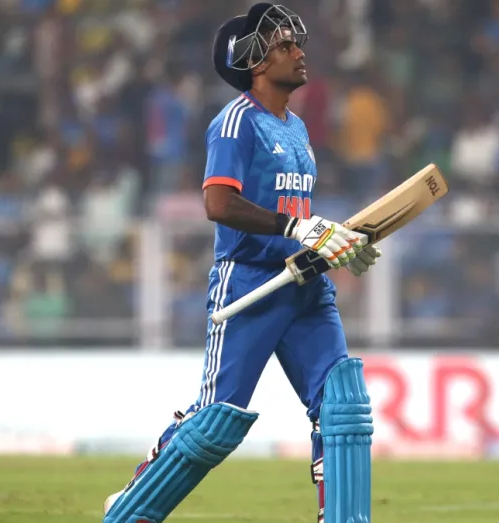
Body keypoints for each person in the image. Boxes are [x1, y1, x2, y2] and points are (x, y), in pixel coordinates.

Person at [102, 4, 380, 523]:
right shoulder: (235, 122)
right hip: (250, 284)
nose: (299, 53)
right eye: (284, 45)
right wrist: (296, 227)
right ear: (255, 61)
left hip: (306, 283)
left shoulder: (297, 128)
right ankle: (132, 507)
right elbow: (218, 203)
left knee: (342, 406)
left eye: (297, 43)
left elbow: (295, 213)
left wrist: (332, 240)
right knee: (216, 422)